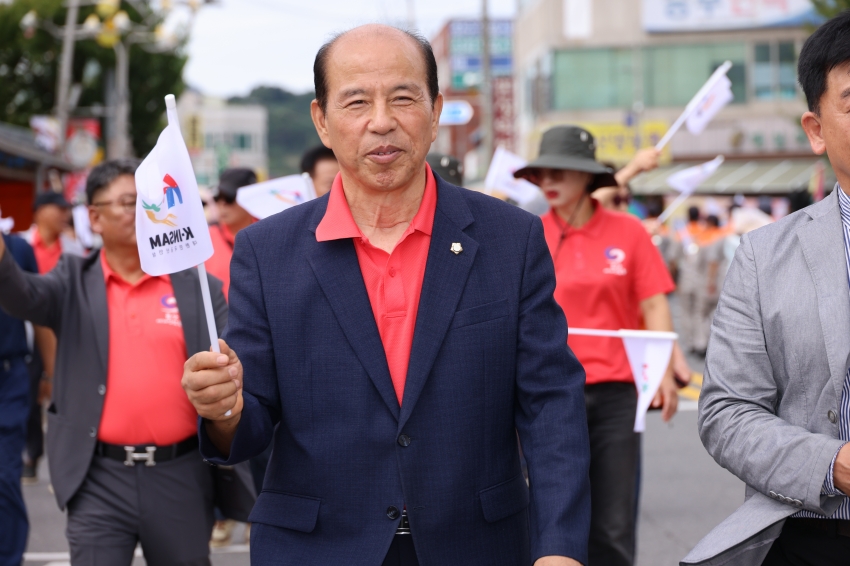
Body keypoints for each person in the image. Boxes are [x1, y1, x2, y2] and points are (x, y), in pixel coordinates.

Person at [182, 24, 590, 566]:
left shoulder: (510, 239)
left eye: (403, 98)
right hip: (315, 548)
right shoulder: (267, 251)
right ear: (322, 120)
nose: (381, 121)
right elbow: (251, 420)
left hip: (476, 544)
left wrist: (560, 549)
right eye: (356, 102)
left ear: (435, 110)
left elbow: (551, 404)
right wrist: (224, 407)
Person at [682, 11, 850, 565]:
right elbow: (728, 412)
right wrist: (832, 464)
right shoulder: (763, 256)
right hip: (816, 536)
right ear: (816, 130)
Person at [0, 159, 227, 565]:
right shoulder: (72, 279)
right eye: (127, 202)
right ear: (94, 217)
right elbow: (23, 296)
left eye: (147, 202)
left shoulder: (197, 287)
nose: (141, 212)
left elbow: (232, 367)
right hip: (98, 478)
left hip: (180, 473)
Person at [514, 125, 679, 566]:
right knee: (546, 513)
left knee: (612, 523)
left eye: (561, 171)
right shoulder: (527, 234)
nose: (548, 181)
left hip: (615, 394)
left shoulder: (628, 232)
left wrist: (663, 371)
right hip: (545, 394)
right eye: (542, 173)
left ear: (588, 176)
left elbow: (654, 304)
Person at [19, 192, 86, 481]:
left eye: (65, 209)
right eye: (58, 209)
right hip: (29, 332)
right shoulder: (20, 245)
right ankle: (32, 452)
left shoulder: (74, 249)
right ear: (39, 211)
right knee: (30, 392)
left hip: (66, 332)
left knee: (68, 394)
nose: (64, 214)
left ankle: (70, 461)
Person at [0, 232, 38, 566]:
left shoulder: (17, 249)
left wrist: (53, 376)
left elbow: (41, 315)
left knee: (4, 476)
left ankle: (9, 558)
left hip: (8, 377)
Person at [205, 168, 257, 299]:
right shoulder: (205, 240)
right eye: (218, 198)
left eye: (229, 198)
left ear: (250, 198)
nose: (222, 204)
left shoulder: (270, 236)